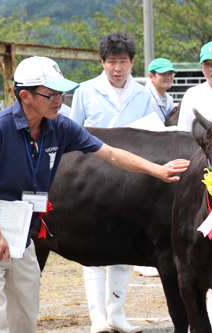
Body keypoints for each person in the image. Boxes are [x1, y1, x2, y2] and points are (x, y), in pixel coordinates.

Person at [0, 56, 189, 333]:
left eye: (62, 92)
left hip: (24, 234)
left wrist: (157, 170)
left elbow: (112, 154)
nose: (60, 99)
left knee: (23, 317)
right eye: (52, 93)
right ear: (25, 96)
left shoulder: (60, 127)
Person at [69, 31, 153, 333]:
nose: (117, 68)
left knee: (124, 244)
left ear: (132, 62)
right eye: (111, 62)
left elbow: (152, 134)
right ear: (102, 62)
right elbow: (73, 133)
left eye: (123, 62)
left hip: (131, 181)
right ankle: (97, 319)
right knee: (91, 246)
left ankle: (117, 313)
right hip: (92, 181)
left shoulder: (144, 94)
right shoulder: (85, 91)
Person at [146, 57, 176, 123]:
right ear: (151, 76)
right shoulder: (145, 98)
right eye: (163, 73)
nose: (168, 77)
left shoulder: (169, 99)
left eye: (170, 74)